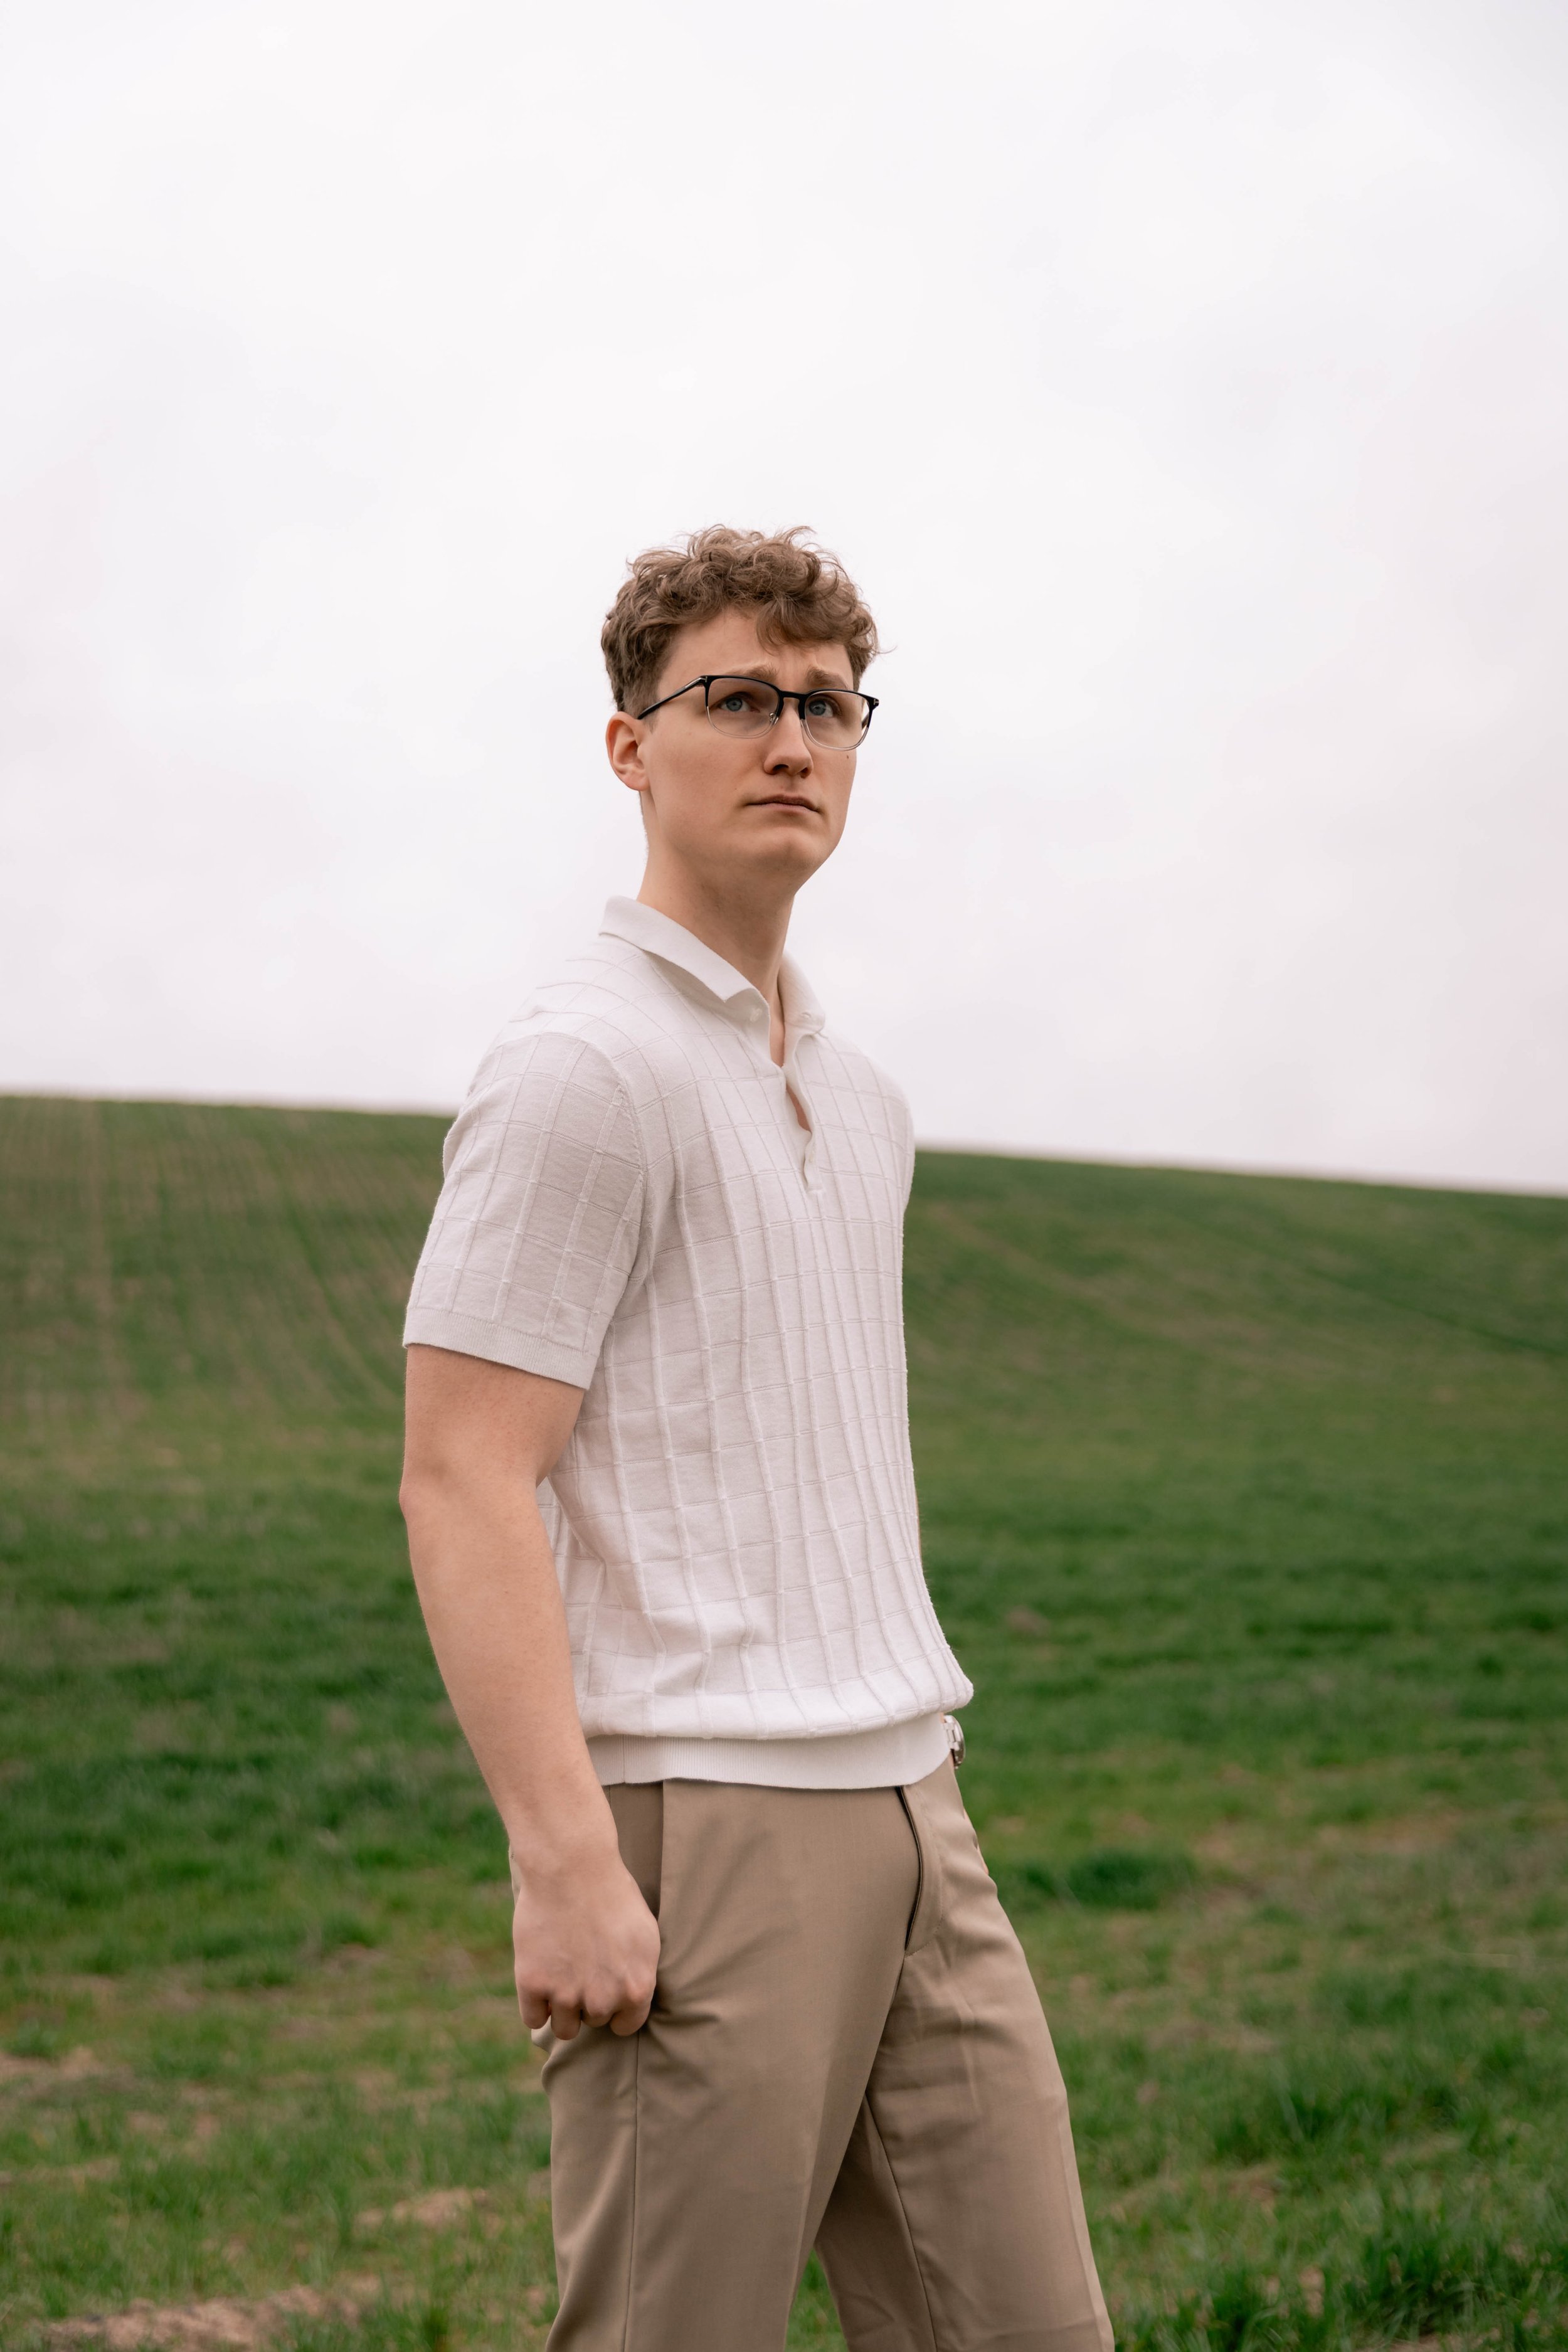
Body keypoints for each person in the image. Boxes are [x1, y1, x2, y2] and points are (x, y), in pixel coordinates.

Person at [399, 527, 1114, 2351]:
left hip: (909, 1800)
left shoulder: (856, 1091)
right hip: (694, 1820)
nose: (791, 740)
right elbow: (464, 1471)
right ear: (632, 744)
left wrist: (914, 1805)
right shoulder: (581, 1064)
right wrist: (566, 1861)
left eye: (825, 706)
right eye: (736, 699)